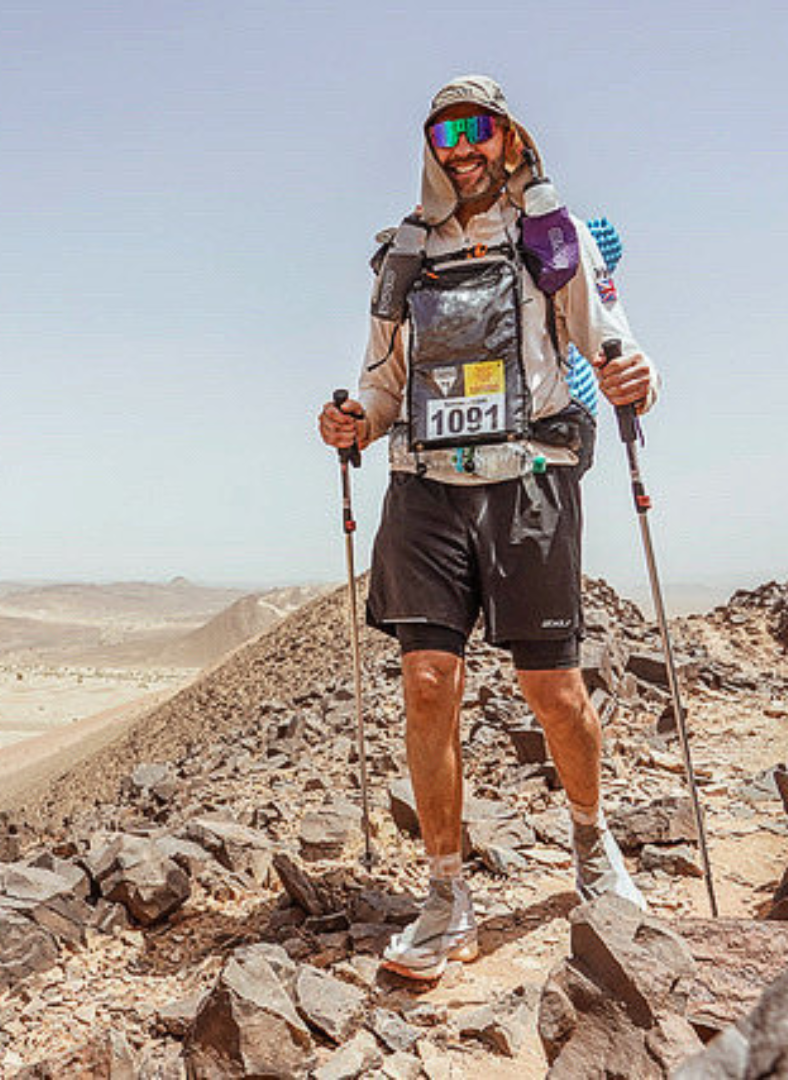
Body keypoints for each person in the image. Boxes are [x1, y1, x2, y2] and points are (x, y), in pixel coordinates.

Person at [317, 75, 658, 982]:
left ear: (508, 138)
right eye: (442, 133)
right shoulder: (402, 254)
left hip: (530, 481)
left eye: (476, 130)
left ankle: (591, 841)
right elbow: (384, 381)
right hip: (424, 490)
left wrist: (637, 378)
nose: (459, 148)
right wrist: (356, 417)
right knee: (429, 682)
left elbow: (608, 338)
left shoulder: (552, 236)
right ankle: (443, 892)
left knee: (553, 691)